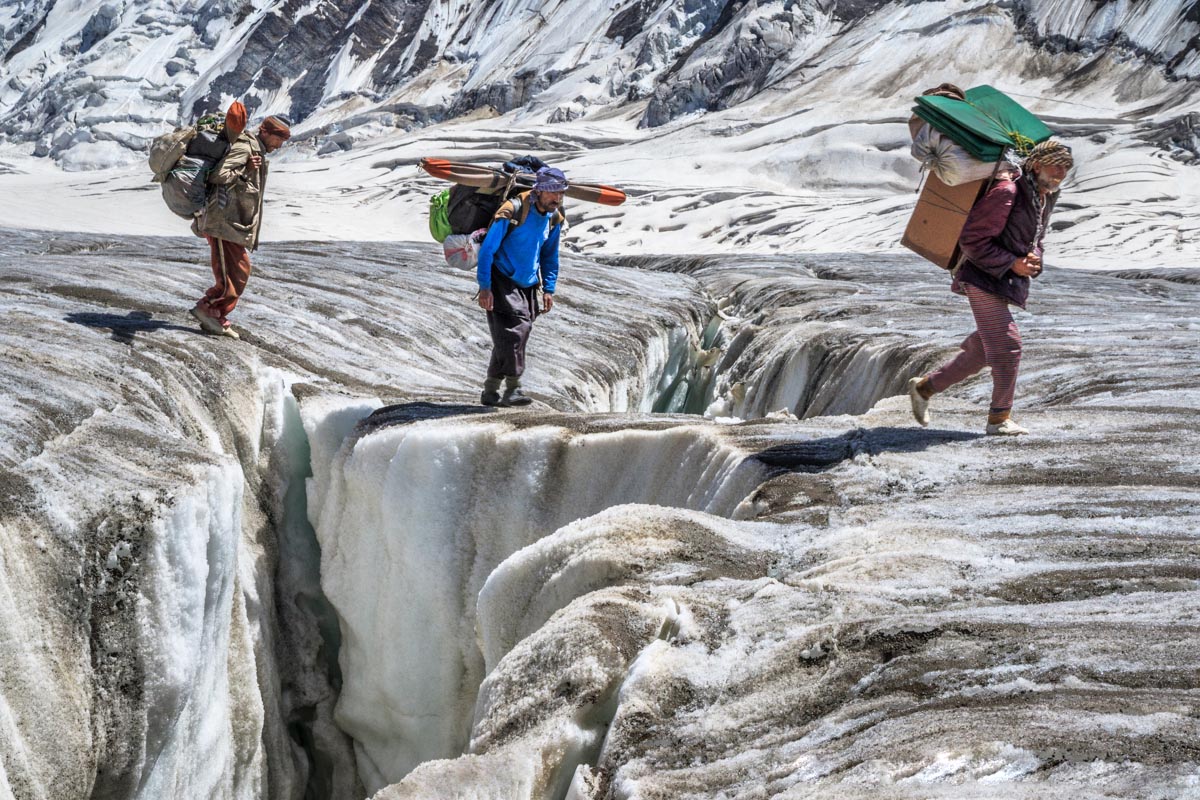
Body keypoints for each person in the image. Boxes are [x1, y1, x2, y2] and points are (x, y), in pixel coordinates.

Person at [907, 139, 1075, 435]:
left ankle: (924, 389)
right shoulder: (1007, 192)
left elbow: (1036, 239)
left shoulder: (1043, 197)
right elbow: (972, 240)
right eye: (1057, 164)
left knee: (983, 351)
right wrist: (1012, 262)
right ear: (1037, 164)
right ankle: (999, 419)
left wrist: (1035, 260)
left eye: (1067, 166)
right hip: (982, 277)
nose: (1062, 171)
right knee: (1009, 346)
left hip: (1004, 279)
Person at [188, 116, 291, 339]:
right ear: (265, 132)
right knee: (235, 271)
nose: (279, 145)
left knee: (237, 271)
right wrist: (244, 170)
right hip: (223, 221)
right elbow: (219, 175)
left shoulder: (255, 149)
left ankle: (214, 313)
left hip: (232, 223)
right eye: (278, 139)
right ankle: (209, 309)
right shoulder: (245, 147)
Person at [475, 166, 568, 407]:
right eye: (552, 193)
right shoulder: (513, 209)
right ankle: (513, 389)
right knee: (516, 332)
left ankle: (491, 390)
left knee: (509, 338)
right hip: (501, 279)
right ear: (539, 191)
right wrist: (485, 287)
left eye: (560, 194)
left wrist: (548, 289)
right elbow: (487, 250)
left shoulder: (554, 218)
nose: (556, 199)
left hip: (528, 283)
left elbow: (549, 256)